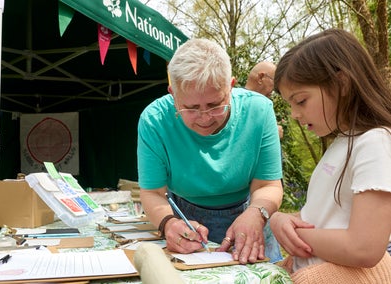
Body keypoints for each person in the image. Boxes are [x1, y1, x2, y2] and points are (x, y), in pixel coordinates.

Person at [137, 38, 284, 264]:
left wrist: (256, 213)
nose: (204, 118)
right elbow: (153, 193)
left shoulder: (259, 110)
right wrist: (169, 222)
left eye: (215, 105)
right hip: (186, 219)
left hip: (253, 214)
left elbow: (268, 185)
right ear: (173, 95)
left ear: (231, 87)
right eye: (191, 108)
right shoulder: (154, 120)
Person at [270, 28, 391, 282]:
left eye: (300, 101)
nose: (294, 114)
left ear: (342, 83)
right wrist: (282, 220)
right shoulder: (342, 142)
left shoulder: (375, 143)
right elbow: (321, 218)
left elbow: (364, 247)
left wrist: (294, 236)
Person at [246, 61, 283, 138]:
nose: (274, 89)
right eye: (274, 82)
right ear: (261, 78)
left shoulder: (264, 104)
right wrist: (271, 133)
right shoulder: (235, 103)